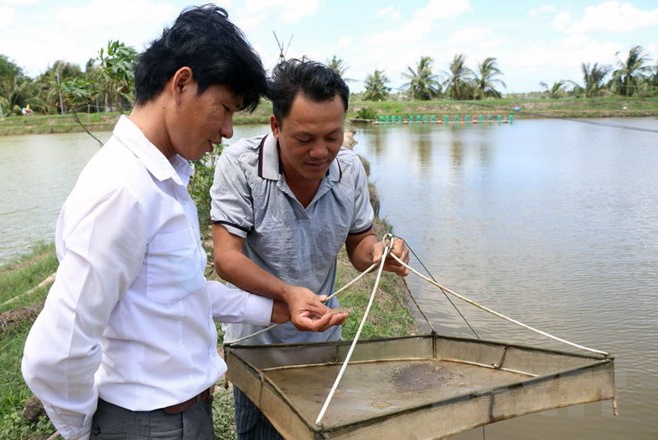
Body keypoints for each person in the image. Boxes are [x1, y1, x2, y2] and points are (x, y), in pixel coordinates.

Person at [21, 6, 340, 440]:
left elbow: (180, 293)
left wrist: (281, 305)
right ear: (182, 83)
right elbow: (55, 354)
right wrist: (85, 432)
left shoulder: (163, 181)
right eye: (225, 109)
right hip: (147, 424)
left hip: (181, 417)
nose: (228, 131)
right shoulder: (122, 190)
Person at [210, 58, 410, 439]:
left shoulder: (349, 170)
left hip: (322, 345)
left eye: (332, 137)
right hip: (257, 352)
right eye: (304, 139)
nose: (321, 152)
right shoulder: (240, 167)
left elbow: (359, 242)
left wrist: (379, 253)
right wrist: (286, 293)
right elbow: (226, 257)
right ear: (275, 126)